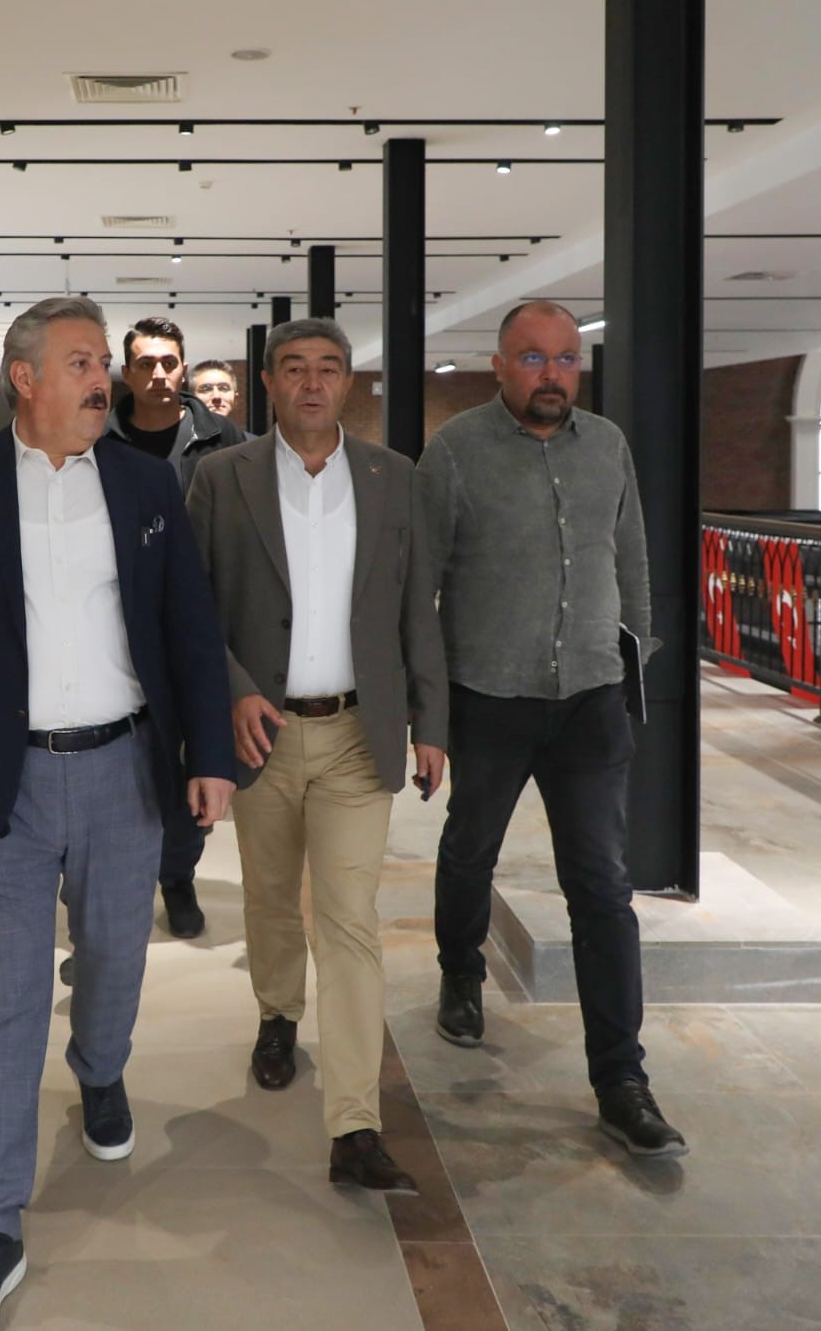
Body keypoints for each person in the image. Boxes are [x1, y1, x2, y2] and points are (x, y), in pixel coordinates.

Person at [0, 297, 235, 1331]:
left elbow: (189, 626)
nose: (102, 380)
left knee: (115, 958)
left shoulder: (142, 482)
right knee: (4, 997)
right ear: (24, 378)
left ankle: (100, 1069)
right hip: (4, 780)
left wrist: (209, 756)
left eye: (102, 362)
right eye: (81, 363)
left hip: (125, 768)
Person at [416, 299, 687, 1160]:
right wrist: (428, 708)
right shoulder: (456, 451)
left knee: (602, 888)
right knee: (471, 848)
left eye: (566, 358)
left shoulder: (606, 446)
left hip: (590, 700)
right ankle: (461, 972)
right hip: (489, 695)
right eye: (532, 358)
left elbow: (632, 556)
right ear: (499, 365)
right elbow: (420, 580)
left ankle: (622, 1079)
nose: (552, 374)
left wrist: (634, 652)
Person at [186, 317, 447, 1191]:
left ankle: (356, 1125)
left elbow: (417, 608)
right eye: (293, 368)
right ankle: (276, 1011)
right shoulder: (222, 477)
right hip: (261, 729)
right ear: (267, 382)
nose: (310, 382)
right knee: (269, 896)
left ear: (347, 383)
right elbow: (191, 605)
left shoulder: (393, 477)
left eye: (327, 368)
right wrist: (230, 692)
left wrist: (432, 721)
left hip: (356, 735)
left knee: (348, 920)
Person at [82, 320, 250, 959]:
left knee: (192, 762)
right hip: (114, 628)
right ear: (126, 371)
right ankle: (93, 895)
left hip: (200, 626)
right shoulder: (95, 435)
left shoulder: (225, 441)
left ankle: (177, 875)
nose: (158, 373)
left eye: (169, 362)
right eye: (145, 362)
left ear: (184, 370)